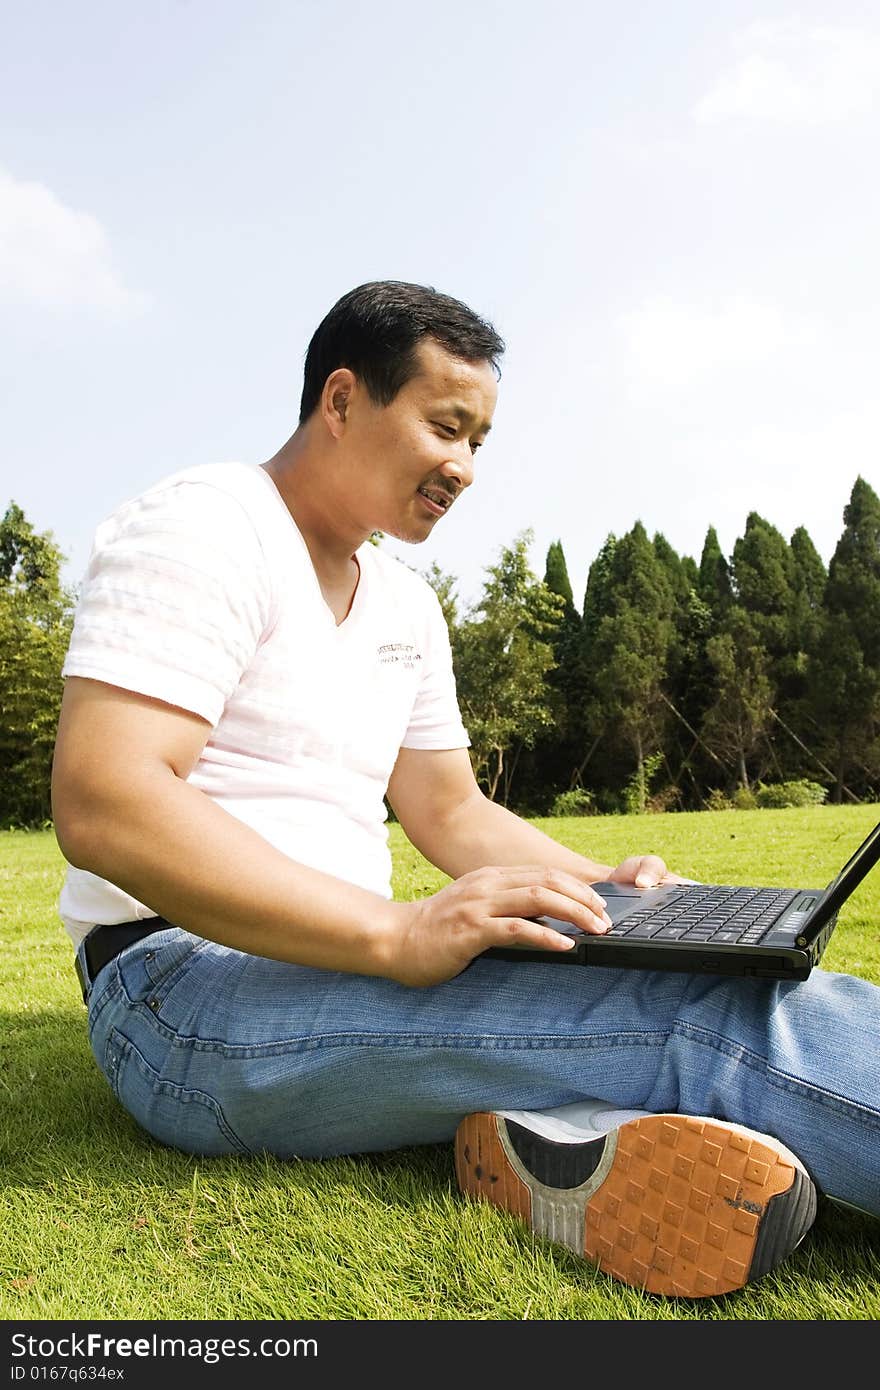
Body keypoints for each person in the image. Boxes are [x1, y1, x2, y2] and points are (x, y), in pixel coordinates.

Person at [51, 280, 879, 1302]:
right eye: (447, 427)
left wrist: (610, 890)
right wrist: (391, 936)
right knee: (693, 1015)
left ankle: (567, 1145)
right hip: (179, 992)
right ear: (342, 400)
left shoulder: (402, 598)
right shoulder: (205, 528)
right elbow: (106, 798)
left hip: (335, 961)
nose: (465, 467)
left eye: (480, 440)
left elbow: (448, 809)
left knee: (712, 967)